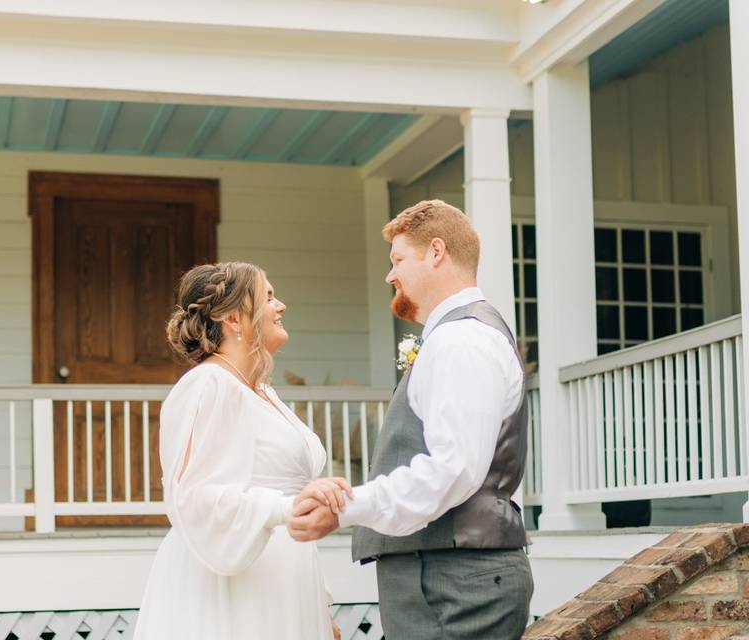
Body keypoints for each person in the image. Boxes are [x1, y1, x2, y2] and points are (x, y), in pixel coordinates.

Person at [288, 200, 534, 639]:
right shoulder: (455, 336)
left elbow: (453, 468)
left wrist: (348, 507)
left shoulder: (462, 341)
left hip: (456, 585)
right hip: (448, 579)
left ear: (436, 252)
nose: (390, 275)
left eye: (398, 259)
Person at [133, 261, 351, 640]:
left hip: (287, 576)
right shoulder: (208, 386)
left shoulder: (265, 392)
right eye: (268, 297)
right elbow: (195, 497)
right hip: (234, 585)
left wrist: (320, 603)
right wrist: (285, 508)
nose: (280, 305)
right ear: (235, 319)